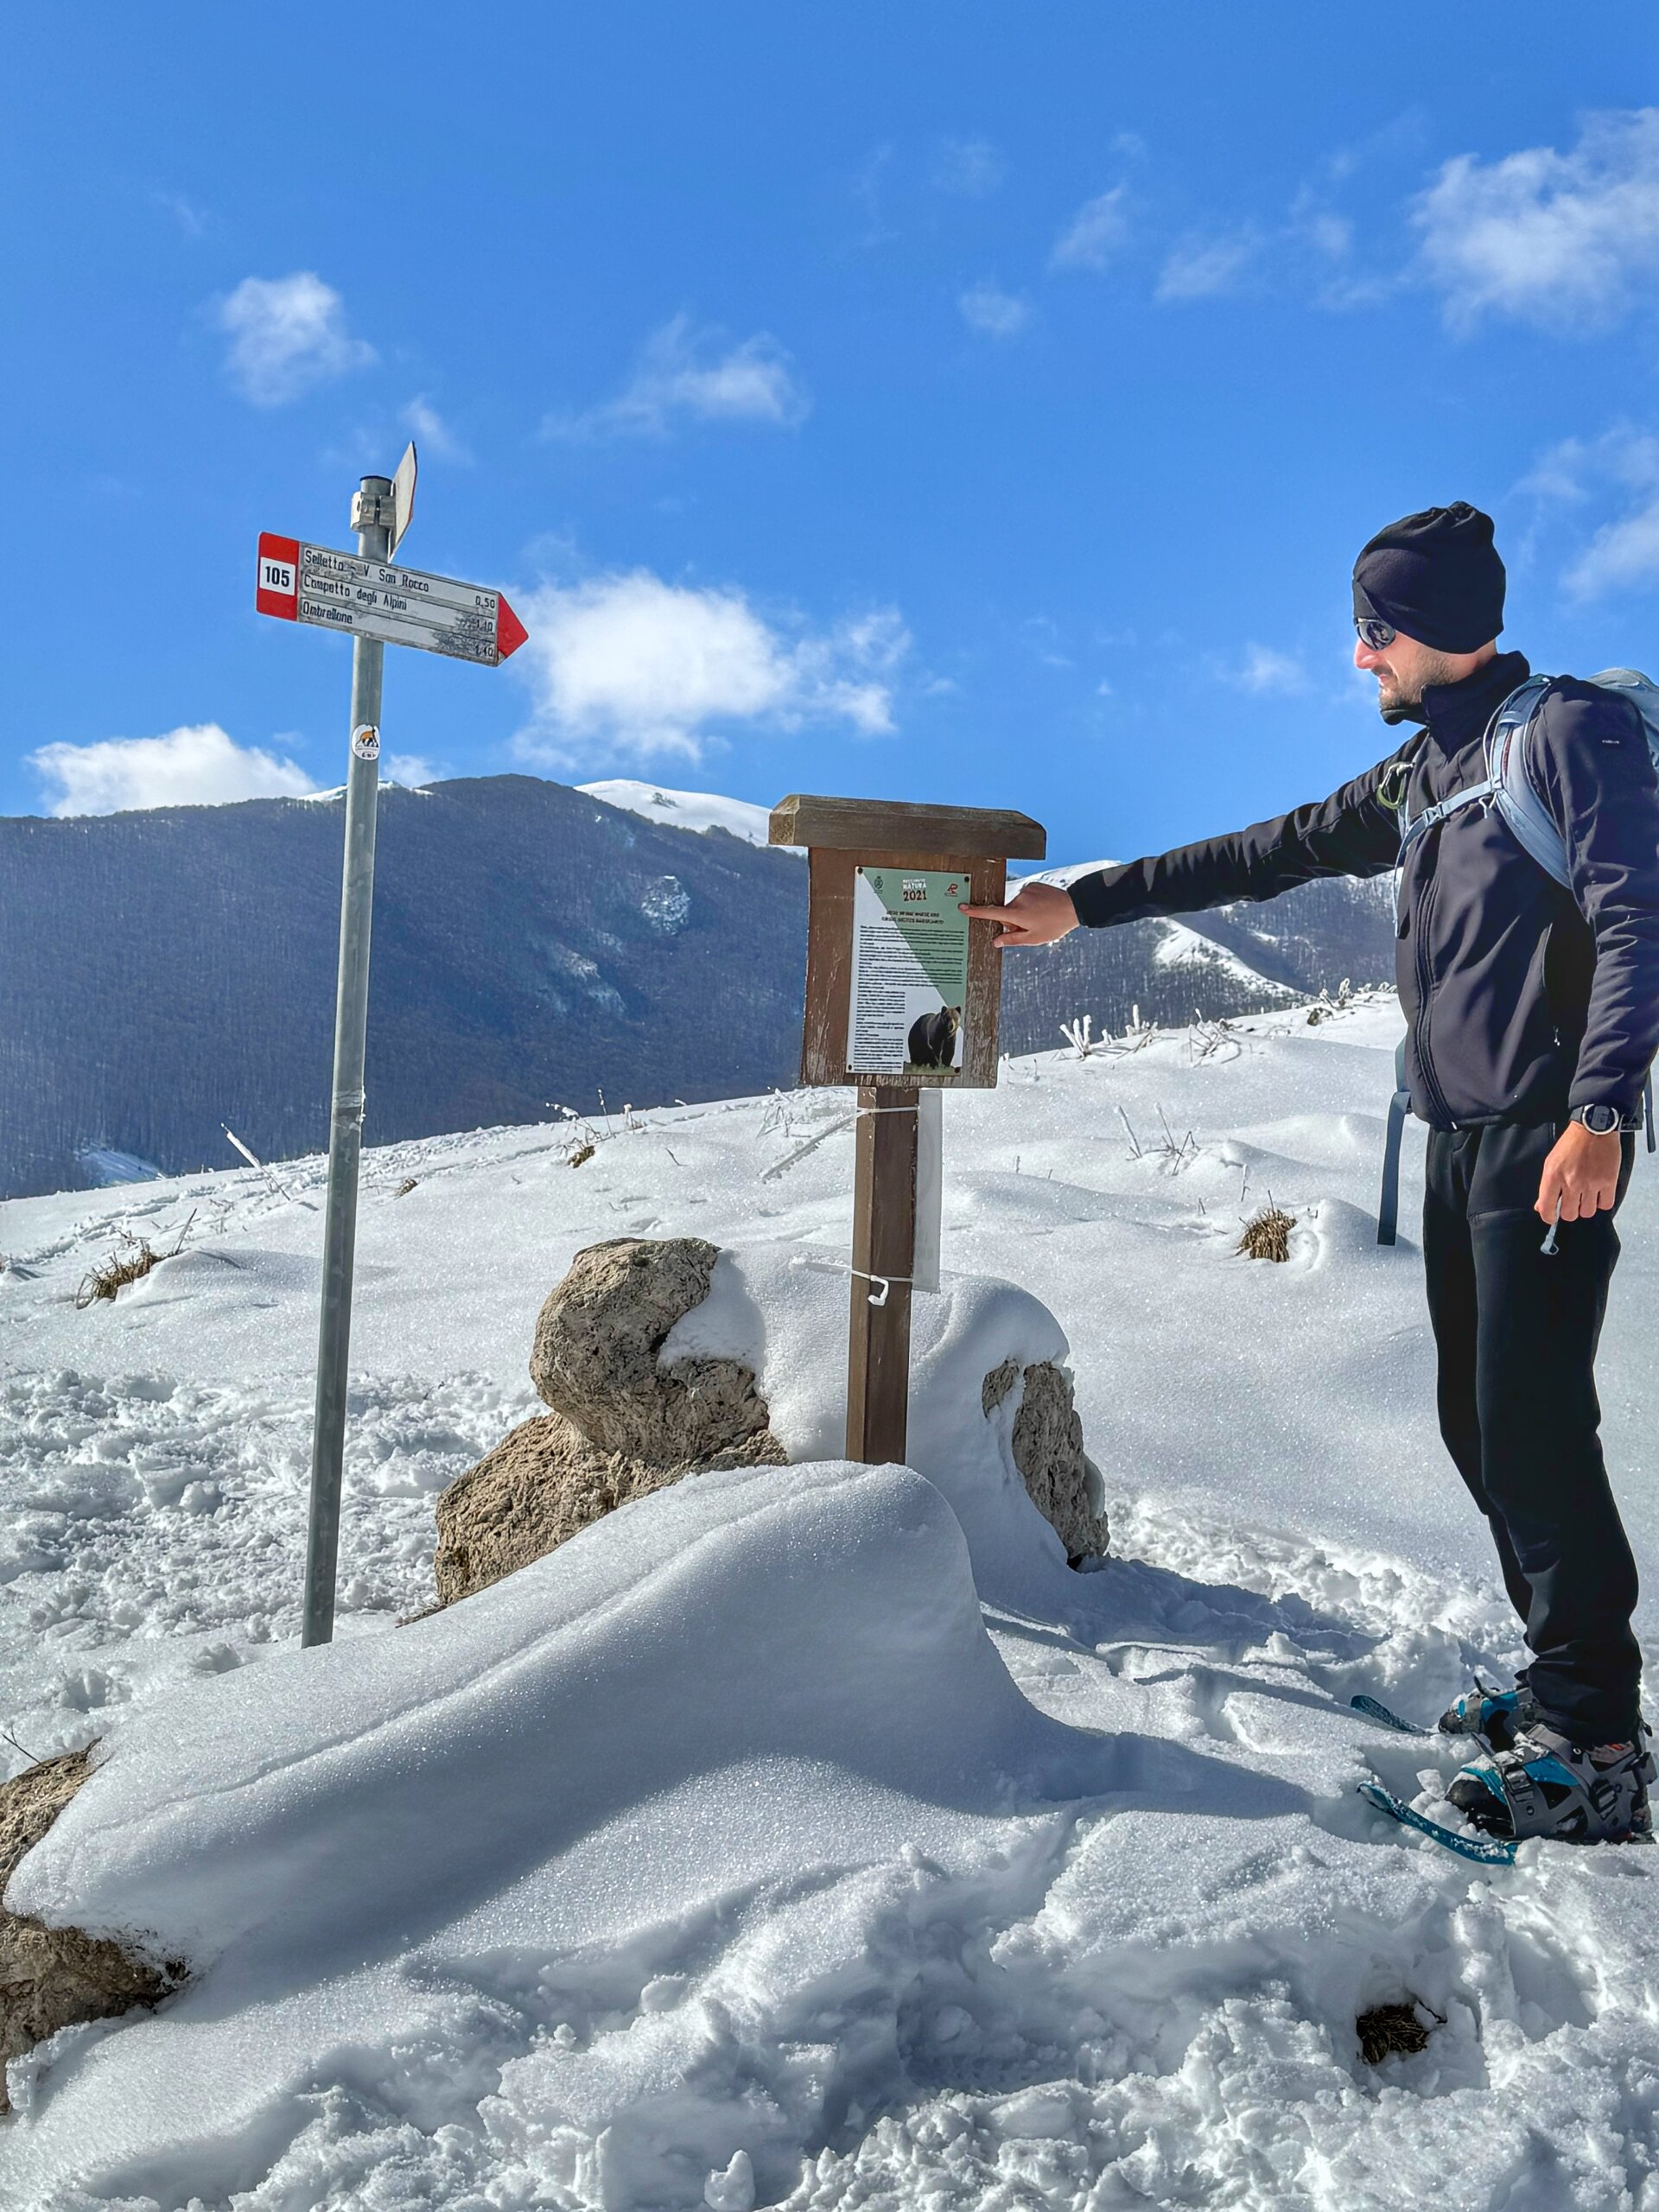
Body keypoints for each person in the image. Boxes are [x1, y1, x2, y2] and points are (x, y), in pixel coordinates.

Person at [964, 502, 1659, 1844]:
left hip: (1547, 1136)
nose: (1360, 657)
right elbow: (1263, 853)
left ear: (1433, 626)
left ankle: (1599, 1743)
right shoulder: (1424, 772)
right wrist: (1083, 905)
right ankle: (1562, 1679)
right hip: (1462, 1140)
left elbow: (1640, 920)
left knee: (1532, 1427)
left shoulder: (1569, 733)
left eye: (1373, 631)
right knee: (1479, 1423)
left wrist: (1601, 1112)